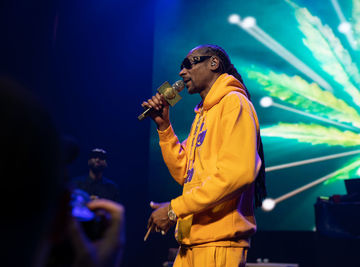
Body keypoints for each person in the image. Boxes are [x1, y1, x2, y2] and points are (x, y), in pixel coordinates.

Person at [143, 44, 266, 267]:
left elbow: (237, 174)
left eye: (188, 64)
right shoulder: (203, 114)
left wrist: (174, 209)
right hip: (192, 242)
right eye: (181, 67)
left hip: (218, 244)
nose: (181, 73)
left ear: (213, 63)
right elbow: (184, 173)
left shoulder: (233, 103)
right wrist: (164, 127)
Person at [0, 77, 125, 267]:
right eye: (94, 157)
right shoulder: (77, 184)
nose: (97, 160)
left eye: (102, 158)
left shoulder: (111, 188)